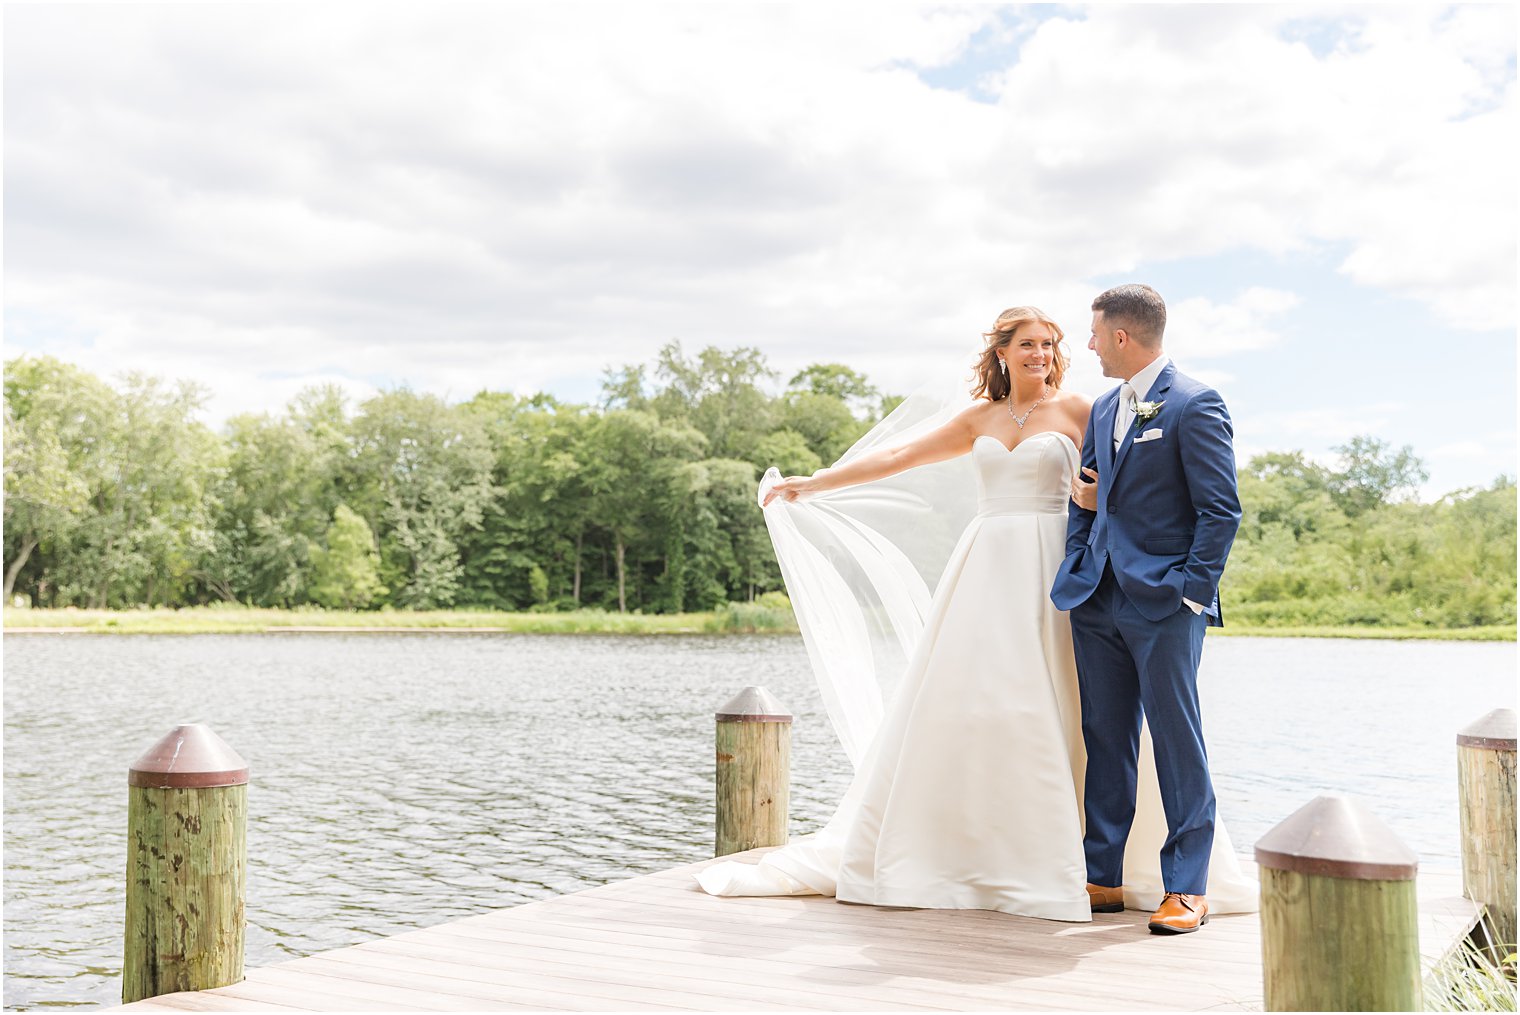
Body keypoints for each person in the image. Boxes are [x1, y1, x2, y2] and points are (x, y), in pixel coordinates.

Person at [696, 305, 1256, 924]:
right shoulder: (1000, 416)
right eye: (1029, 345)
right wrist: (815, 482)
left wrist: (1184, 587)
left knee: (1105, 719)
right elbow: (898, 457)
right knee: (1026, 711)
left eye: (1052, 344)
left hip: (1066, 575)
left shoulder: (1087, 409)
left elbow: (1142, 494)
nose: (1042, 354)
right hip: (991, 567)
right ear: (1001, 352)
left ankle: (1165, 877)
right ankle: (1040, 860)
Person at [1051, 284, 1242, 934]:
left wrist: (1191, 591)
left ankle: (1187, 887)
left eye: (1095, 333)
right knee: (1105, 736)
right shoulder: (1103, 409)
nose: (1090, 344)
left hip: (1165, 604)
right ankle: (1101, 875)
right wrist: (1079, 562)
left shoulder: (1195, 404)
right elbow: (1085, 497)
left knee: (1176, 737)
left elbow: (1221, 511)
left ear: (1122, 337)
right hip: (1096, 599)